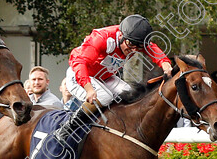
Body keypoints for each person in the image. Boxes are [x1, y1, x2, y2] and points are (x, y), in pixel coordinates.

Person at [53, 14, 173, 145]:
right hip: (79, 75)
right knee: (104, 97)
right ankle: (66, 129)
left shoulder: (133, 40)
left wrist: (165, 63)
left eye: (138, 48)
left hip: (104, 77)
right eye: (131, 45)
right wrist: (88, 88)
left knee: (130, 93)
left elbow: (152, 48)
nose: (133, 50)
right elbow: (79, 62)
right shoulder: (101, 39)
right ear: (121, 35)